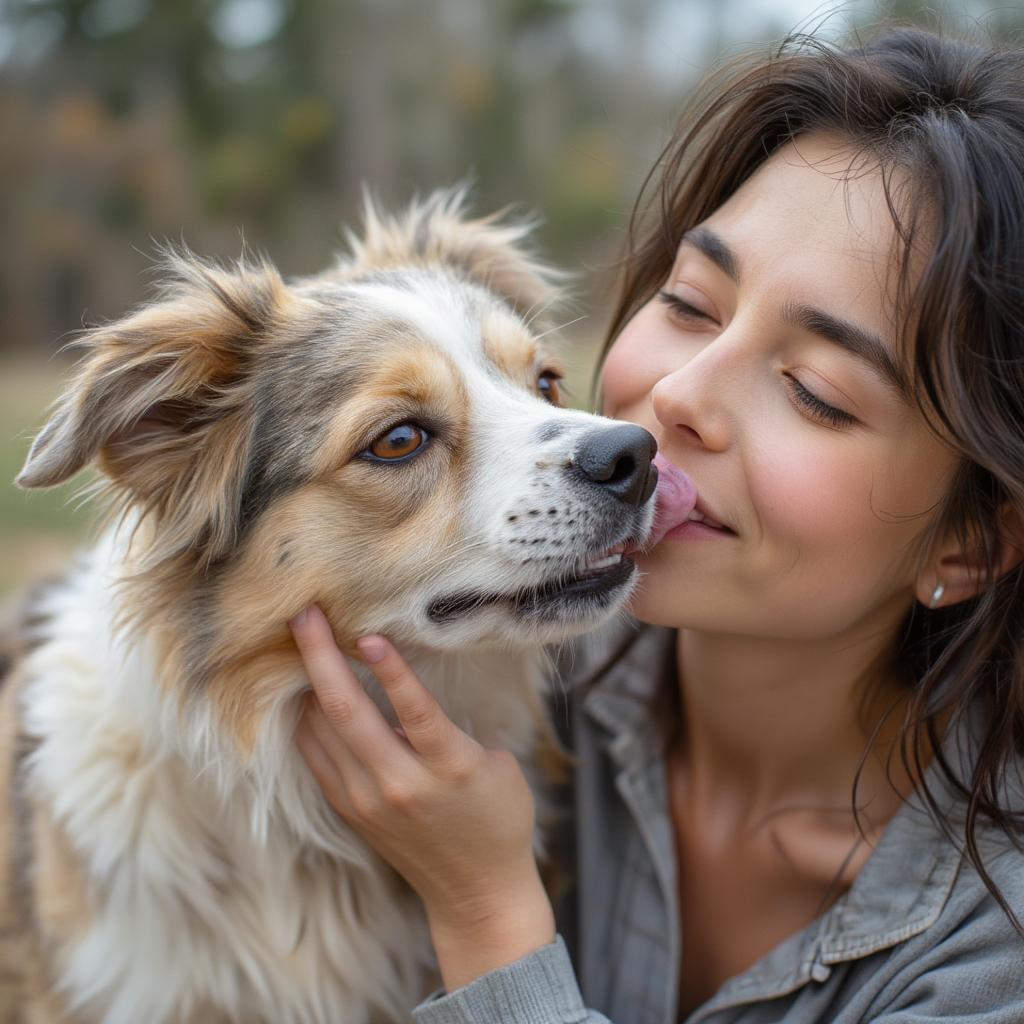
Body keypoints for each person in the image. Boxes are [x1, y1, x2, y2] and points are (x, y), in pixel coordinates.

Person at [287, 25, 1024, 1023]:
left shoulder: (993, 949)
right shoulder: (487, 666)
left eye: (812, 390)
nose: (674, 396)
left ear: (969, 540)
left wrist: (487, 910)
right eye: (689, 301)